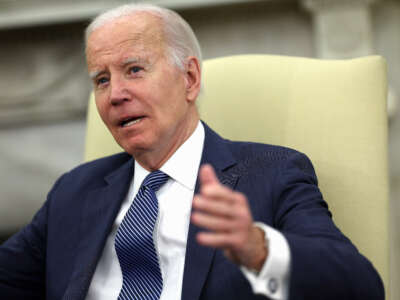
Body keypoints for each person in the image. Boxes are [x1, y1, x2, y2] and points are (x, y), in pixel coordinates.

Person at [0, 4, 384, 300]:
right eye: (102, 80)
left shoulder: (273, 173)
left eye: (134, 70)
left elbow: (359, 286)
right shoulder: (75, 189)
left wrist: (257, 248)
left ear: (190, 79)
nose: (115, 94)